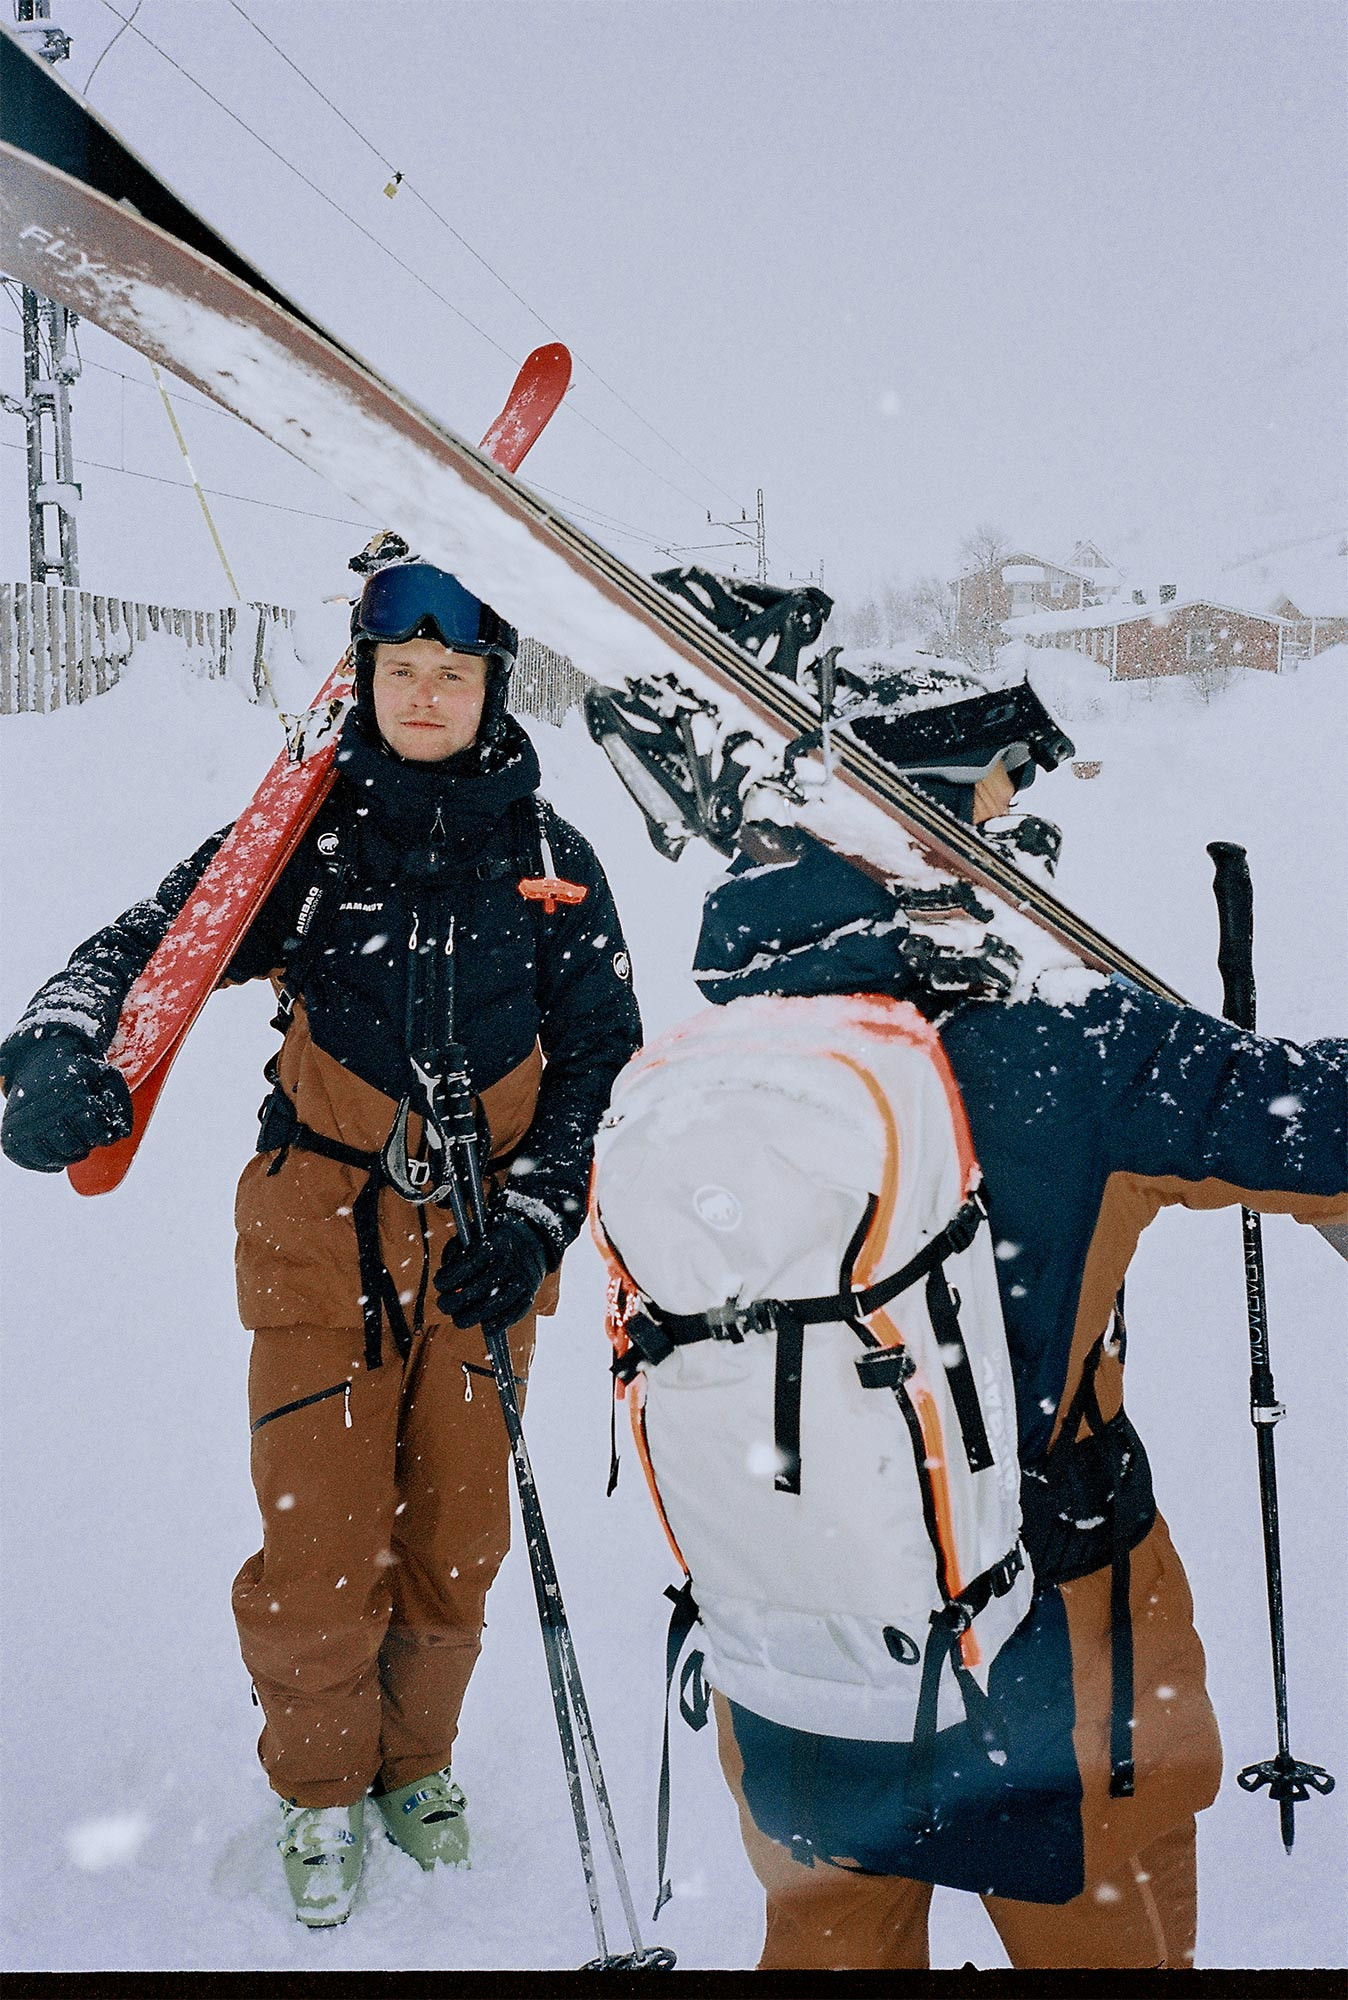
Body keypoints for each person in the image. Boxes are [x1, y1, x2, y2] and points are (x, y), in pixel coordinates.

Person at [593, 664, 1347, 1972]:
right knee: (1108, 1941)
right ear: (927, 822)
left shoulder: (723, 1040)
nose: (1024, 836)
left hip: (798, 1640)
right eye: (1000, 804)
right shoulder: (1080, 1041)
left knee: (831, 1940)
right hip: (1056, 1655)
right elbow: (1319, 1125)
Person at [0, 556, 642, 1928]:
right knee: (321, 1543)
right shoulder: (302, 842)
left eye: (452, 674)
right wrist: (57, 1045)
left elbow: (602, 1058)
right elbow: (147, 946)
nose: (426, 695)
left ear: (491, 688)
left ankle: (415, 1765)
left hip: (485, 1245)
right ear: (366, 679)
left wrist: (539, 1215)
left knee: (458, 1536)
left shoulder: (553, 863)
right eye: (402, 671)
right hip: (321, 1237)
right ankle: (317, 1787)